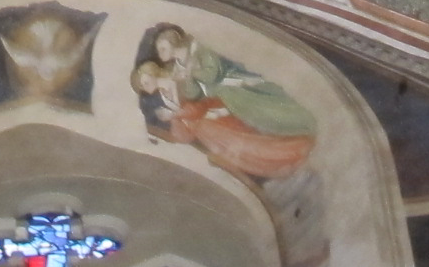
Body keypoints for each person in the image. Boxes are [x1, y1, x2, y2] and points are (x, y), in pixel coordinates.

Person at [133, 25, 315, 180]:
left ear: (174, 44)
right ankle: (278, 162)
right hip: (212, 106)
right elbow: (193, 93)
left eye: (163, 48)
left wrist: (191, 73)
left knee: (264, 119)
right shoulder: (175, 70)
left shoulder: (199, 51)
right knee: (237, 141)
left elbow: (213, 74)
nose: (160, 53)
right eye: (159, 50)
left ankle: (294, 142)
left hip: (231, 92)